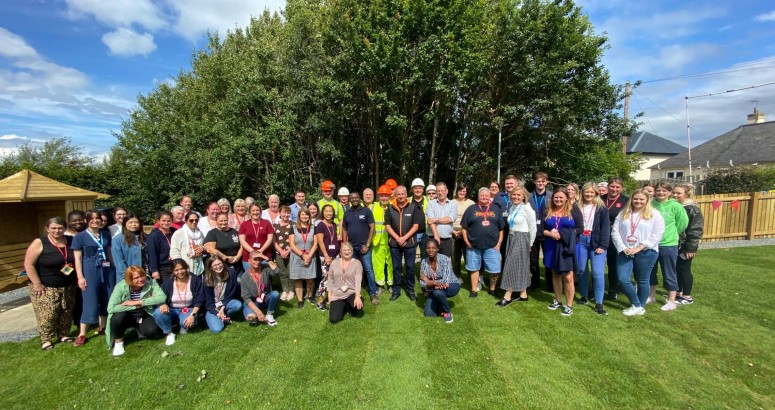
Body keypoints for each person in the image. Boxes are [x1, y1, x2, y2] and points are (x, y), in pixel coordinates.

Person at [23, 216, 77, 350]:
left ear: (65, 228)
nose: (57, 231)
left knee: (66, 310)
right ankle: (46, 339)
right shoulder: (40, 242)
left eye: (60, 228)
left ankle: (63, 334)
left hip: (68, 284)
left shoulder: (70, 241)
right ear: (47, 229)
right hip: (46, 285)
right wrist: (37, 283)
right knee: (48, 313)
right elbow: (29, 265)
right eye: (53, 228)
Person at [611, 189, 665, 316]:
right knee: (623, 278)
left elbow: (657, 234)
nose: (638, 201)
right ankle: (637, 304)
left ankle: (640, 307)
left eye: (641, 199)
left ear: (647, 200)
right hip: (625, 251)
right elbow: (615, 232)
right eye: (635, 199)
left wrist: (640, 247)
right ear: (631, 199)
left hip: (646, 252)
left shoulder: (654, 214)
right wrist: (623, 248)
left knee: (642, 280)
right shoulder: (624, 213)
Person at [72, 209, 115, 346]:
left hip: (107, 269)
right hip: (90, 270)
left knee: (106, 298)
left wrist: (116, 268)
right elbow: (77, 259)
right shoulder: (80, 237)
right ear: (87, 220)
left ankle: (102, 326)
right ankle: (82, 333)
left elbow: (109, 252)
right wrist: (80, 277)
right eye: (92, 218)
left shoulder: (106, 234)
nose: (95, 221)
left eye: (98, 218)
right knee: (90, 300)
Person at [106, 266, 165, 356]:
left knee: (151, 330)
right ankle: (118, 342)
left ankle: (139, 329)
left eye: (142, 276)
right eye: (136, 278)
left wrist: (139, 302)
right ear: (129, 279)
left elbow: (162, 297)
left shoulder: (151, 282)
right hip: (126, 315)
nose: (141, 279)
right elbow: (111, 308)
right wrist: (134, 307)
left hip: (143, 314)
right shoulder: (120, 287)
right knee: (117, 318)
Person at [649, 182, 689, 311]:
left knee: (669, 272)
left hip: (668, 244)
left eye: (664, 191)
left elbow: (682, 224)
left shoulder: (675, 206)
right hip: (651, 243)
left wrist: (671, 234)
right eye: (659, 190)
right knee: (651, 271)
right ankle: (651, 296)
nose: (661, 193)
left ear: (670, 193)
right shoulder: (650, 204)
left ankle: (671, 301)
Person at [543, 188, 581, 316]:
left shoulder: (573, 210)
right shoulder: (547, 210)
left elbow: (580, 228)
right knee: (555, 274)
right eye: (556, 197)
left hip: (566, 246)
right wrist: (550, 234)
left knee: (568, 276)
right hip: (551, 245)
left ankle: (569, 305)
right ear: (552, 198)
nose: (558, 200)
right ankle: (558, 300)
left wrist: (564, 234)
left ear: (566, 198)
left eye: (561, 197)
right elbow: (541, 229)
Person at [461, 187, 506, 298]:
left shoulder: (496, 209)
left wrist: (499, 242)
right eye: (482, 195)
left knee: (494, 269)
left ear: (489, 196)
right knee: (474, 268)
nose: (484, 197)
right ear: (478, 196)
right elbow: (464, 227)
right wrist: (466, 241)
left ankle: (492, 289)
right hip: (473, 245)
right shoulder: (471, 209)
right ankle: (473, 290)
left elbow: (501, 228)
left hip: (492, 246)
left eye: (486, 195)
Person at [496, 187, 536, 306]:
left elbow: (533, 228)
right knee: (520, 265)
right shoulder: (513, 207)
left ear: (524, 196)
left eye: (519, 195)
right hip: (512, 236)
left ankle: (507, 295)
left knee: (512, 265)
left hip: (522, 238)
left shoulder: (527, 209)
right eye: (514, 195)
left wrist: (530, 244)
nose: (516, 197)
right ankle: (523, 294)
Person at [575, 182, 610, 315]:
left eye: (592, 192)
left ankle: (599, 302)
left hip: (596, 242)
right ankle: (584, 296)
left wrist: (603, 245)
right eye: (586, 192)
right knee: (582, 270)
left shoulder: (601, 207)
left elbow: (605, 228)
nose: (589, 194)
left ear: (596, 193)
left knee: (597, 273)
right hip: (581, 241)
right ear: (582, 192)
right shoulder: (576, 206)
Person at [384, 186, 423, 301]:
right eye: (398, 194)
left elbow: (416, 226)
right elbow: (387, 225)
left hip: (409, 243)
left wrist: (404, 238)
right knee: (396, 268)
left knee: (410, 267)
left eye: (402, 194)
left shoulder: (413, 207)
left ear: (406, 195)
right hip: (395, 244)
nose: (401, 196)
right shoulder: (390, 208)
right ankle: (396, 291)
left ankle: (411, 290)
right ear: (395, 195)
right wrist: (397, 238)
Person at [154, 259, 205, 345]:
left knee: (187, 324)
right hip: (172, 310)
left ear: (186, 268)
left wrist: (193, 315)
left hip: (188, 309)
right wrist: (162, 304)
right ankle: (169, 333)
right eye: (176, 270)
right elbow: (160, 296)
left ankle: (182, 324)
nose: (180, 272)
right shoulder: (168, 283)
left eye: (182, 269)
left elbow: (199, 299)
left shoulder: (195, 280)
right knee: (158, 313)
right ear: (173, 271)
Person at [342, 191, 377, 304]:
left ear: (360, 198)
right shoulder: (347, 213)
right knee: (352, 271)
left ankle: (373, 294)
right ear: (349, 200)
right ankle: (352, 293)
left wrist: (367, 244)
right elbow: (344, 229)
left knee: (368, 270)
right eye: (352, 198)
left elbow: (372, 228)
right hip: (352, 247)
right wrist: (345, 244)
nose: (354, 199)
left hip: (364, 247)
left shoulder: (366, 211)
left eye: (356, 197)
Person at [674, 183, 704, 305]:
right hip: (675, 243)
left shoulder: (692, 209)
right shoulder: (677, 206)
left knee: (684, 269)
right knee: (676, 268)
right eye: (674, 193)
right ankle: (678, 292)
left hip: (685, 244)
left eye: (678, 193)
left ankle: (687, 296)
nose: (675, 195)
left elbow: (695, 230)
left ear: (686, 195)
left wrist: (691, 248)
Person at [419, 239, 460, 323]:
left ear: (437, 249)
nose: (431, 250)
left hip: (452, 284)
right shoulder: (423, 262)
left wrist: (429, 281)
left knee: (437, 292)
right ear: (426, 249)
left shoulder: (445, 259)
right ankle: (440, 304)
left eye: (433, 248)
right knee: (429, 314)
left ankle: (447, 313)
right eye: (428, 248)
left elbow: (445, 281)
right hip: (434, 288)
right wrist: (433, 283)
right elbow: (422, 283)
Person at [601, 177, 628, 301]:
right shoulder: (600, 199)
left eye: (617, 187)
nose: (614, 189)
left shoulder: (625, 201)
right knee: (599, 263)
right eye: (612, 186)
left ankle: (613, 289)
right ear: (608, 187)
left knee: (613, 264)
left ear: (621, 188)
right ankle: (597, 287)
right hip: (600, 234)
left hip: (615, 236)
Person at [327, 242, 364, 324]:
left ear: (352, 251)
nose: (347, 252)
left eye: (348, 250)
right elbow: (330, 279)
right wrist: (330, 294)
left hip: (351, 292)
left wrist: (357, 296)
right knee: (334, 319)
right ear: (340, 252)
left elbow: (358, 280)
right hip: (337, 294)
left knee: (358, 308)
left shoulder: (357, 263)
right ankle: (344, 307)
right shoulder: (334, 263)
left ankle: (350, 306)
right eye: (344, 250)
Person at [203, 256, 242, 333]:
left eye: (219, 264)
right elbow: (208, 302)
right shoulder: (207, 279)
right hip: (212, 306)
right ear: (211, 267)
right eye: (215, 265)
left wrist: (222, 307)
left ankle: (225, 314)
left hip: (226, 302)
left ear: (223, 263)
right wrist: (217, 313)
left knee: (237, 305)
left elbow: (232, 293)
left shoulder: (231, 273)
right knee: (217, 329)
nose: (218, 267)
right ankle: (222, 317)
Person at [241, 251, 281, 326]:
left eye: (259, 259)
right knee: (251, 318)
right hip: (253, 302)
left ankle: (269, 314)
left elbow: (277, 271)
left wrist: (265, 258)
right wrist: (258, 312)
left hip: (265, 299)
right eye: (255, 259)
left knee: (275, 294)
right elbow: (246, 298)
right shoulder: (244, 277)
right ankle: (254, 313)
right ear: (249, 261)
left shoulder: (265, 268)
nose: (257, 262)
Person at [289, 208, 319, 308]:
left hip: (310, 256)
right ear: (299, 216)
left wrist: (308, 256)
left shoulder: (313, 228)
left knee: (310, 279)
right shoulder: (293, 227)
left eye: (306, 215)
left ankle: (310, 296)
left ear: (309, 216)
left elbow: (315, 244)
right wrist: (302, 255)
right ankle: (300, 300)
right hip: (297, 257)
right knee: (298, 279)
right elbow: (292, 245)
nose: (304, 217)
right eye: (302, 215)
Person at [528, 172, 552, 290]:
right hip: (533, 232)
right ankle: (535, 282)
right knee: (533, 259)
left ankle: (550, 283)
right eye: (538, 181)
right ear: (534, 182)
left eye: (543, 181)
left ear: (547, 182)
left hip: (547, 232)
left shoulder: (551, 196)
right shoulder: (528, 196)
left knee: (548, 258)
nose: (541, 183)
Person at [315, 204, 340, 310]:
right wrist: (326, 256)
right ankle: (320, 300)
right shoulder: (320, 225)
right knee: (326, 278)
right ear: (323, 213)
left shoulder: (334, 224)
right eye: (326, 211)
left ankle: (332, 298)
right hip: (326, 256)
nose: (329, 213)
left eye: (330, 211)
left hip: (336, 255)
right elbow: (320, 242)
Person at [369, 185, 394, 294]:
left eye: (386, 196)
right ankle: (380, 284)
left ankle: (391, 284)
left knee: (391, 263)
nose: (384, 198)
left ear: (390, 196)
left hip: (390, 241)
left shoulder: (394, 207)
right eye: (382, 196)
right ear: (378, 196)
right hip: (377, 241)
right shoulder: (372, 207)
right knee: (378, 264)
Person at [238, 203, 275, 274]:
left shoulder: (266, 223)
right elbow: (242, 241)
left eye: (257, 210)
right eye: (253, 211)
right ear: (249, 212)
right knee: (251, 279)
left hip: (264, 256)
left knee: (265, 278)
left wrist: (261, 250)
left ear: (260, 211)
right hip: (248, 258)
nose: (255, 212)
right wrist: (253, 252)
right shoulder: (244, 224)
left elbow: (270, 239)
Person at [112, 214, 147, 285]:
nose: (134, 224)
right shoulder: (118, 239)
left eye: (136, 222)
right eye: (130, 222)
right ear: (125, 224)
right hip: (129, 276)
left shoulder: (145, 237)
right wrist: (127, 275)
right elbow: (119, 261)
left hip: (145, 274)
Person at [426, 182, 457, 257]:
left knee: (445, 263)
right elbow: (430, 221)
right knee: (432, 263)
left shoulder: (453, 204)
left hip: (447, 240)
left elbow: (450, 219)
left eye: (442, 190)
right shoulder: (430, 204)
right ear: (436, 192)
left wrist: (436, 219)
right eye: (438, 191)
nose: (440, 193)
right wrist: (436, 236)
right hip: (433, 238)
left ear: (447, 191)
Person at [169, 212, 205, 276]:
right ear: (186, 221)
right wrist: (180, 267)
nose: (194, 222)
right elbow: (174, 251)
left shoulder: (200, 233)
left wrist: (202, 248)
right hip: (185, 266)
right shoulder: (179, 233)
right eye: (191, 220)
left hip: (198, 266)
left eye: (196, 220)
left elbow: (203, 246)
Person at [452, 183, 475, 281]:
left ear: (467, 192)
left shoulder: (471, 203)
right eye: (460, 190)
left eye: (464, 191)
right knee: (455, 255)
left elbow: (474, 219)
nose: (462, 192)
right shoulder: (451, 202)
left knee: (468, 255)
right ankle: (457, 276)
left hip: (466, 232)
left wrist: (463, 231)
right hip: (453, 232)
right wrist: (453, 231)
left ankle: (472, 276)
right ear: (457, 191)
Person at [273, 205, 296, 301]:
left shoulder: (294, 225)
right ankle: (285, 290)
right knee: (282, 272)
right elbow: (273, 241)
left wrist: (287, 251)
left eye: (288, 213)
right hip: (279, 252)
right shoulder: (274, 225)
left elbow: (296, 240)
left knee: (291, 272)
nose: (286, 214)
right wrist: (281, 251)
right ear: (280, 213)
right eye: (284, 212)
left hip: (291, 252)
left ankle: (291, 290)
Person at [147, 211, 176, 283]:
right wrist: (154, 270)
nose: (166, 223)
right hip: (163, 268)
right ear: (158, 221)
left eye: (169, 221)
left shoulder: (175, 232)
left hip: (175, 266)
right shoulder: (154, 236)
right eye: (163, 221)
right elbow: (152, 254)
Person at [410, 178, 429, 259]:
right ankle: (411, 271)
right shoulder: (407, 201)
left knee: (425, 256)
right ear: (412, 189)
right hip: (411, 233)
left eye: (420, 188)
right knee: (410, 256)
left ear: (423, 189)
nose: (418, 190)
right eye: (416, 188)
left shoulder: (429, 200)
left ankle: (424, 271)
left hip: (425, 233)